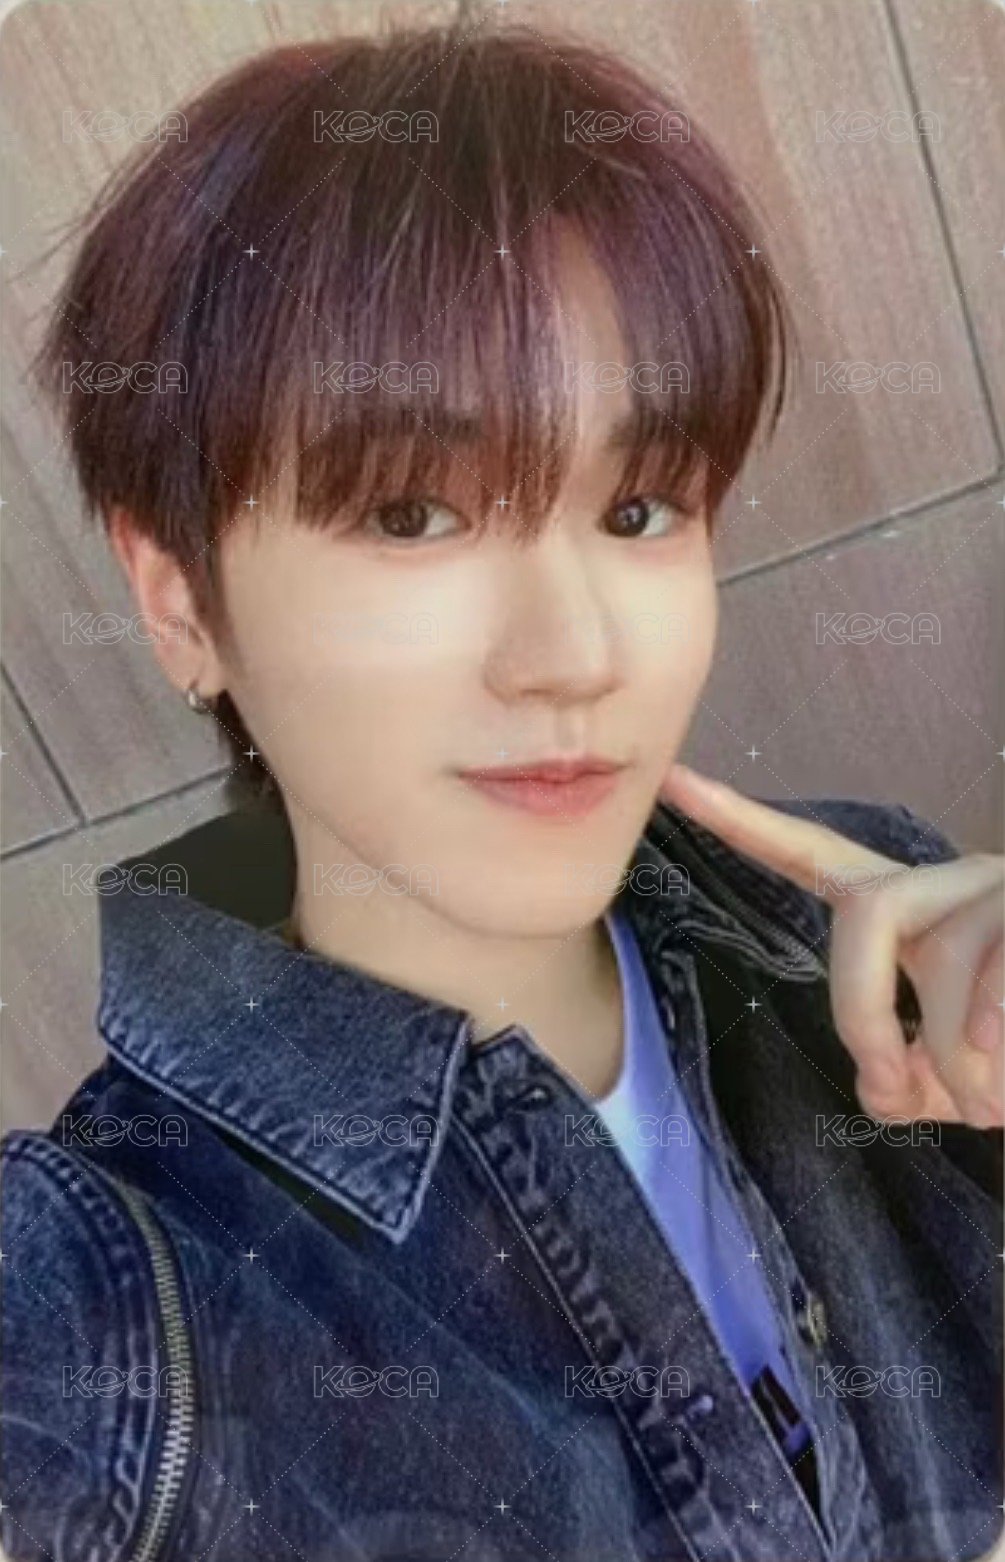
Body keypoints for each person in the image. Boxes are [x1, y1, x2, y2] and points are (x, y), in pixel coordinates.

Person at [1, 19, 1001, 1562]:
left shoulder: (885, 946)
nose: (573, 654)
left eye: (639, 505)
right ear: (178, 598)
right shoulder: (107, 1312)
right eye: (413, 512)